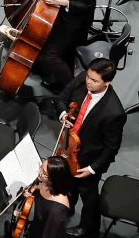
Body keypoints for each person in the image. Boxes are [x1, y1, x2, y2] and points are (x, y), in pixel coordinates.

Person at [56, 58, 126, 238]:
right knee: (68, 183)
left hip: (88, 158)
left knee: (88, 195)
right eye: (88, 76)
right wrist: (64, 115)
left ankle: (87, 227)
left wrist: (93, 169)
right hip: (69, 145)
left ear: (107, 82)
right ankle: (68, 207)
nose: (88, 81)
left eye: (94, 80)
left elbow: (112, 147)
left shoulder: (114, 112)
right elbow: (62, 98)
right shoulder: (82, 79)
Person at [12, 157, 73, 238]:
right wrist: (35, 189)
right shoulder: (47, 184)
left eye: (44, 173)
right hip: (35, 228)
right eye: (41, 168)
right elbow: (42, 190)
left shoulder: (57, 211)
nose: (39, 172)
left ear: (54, 178)